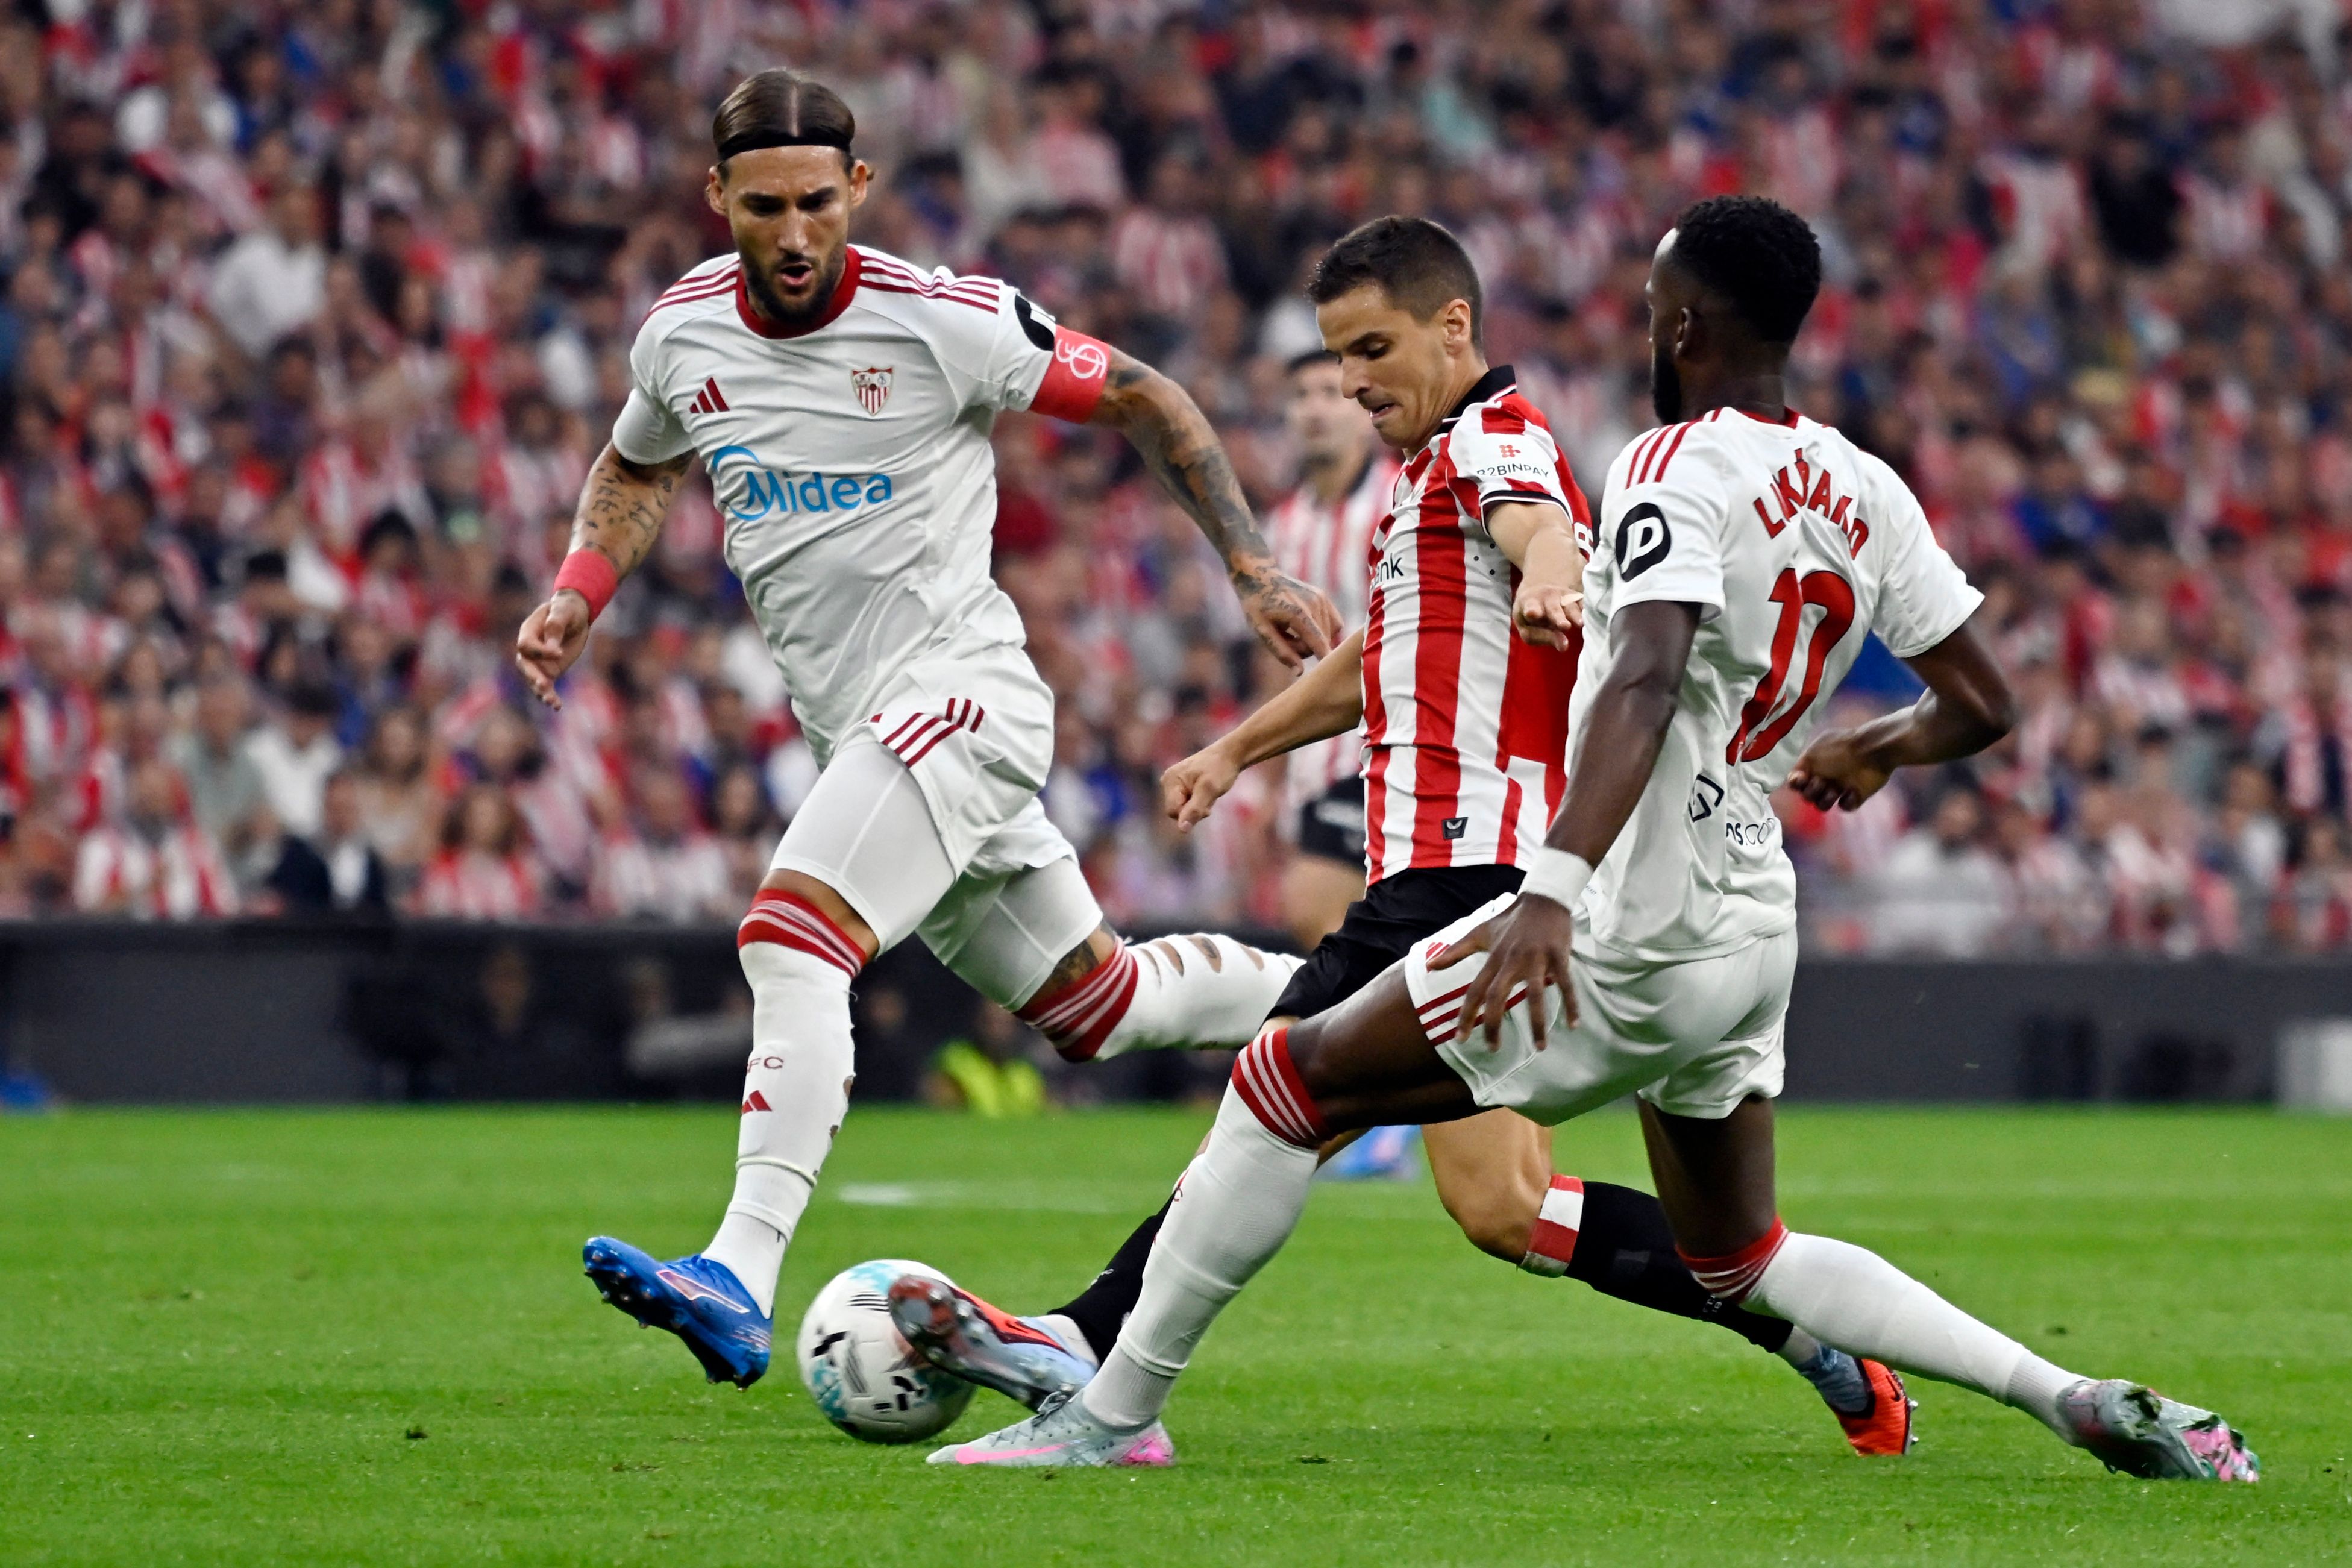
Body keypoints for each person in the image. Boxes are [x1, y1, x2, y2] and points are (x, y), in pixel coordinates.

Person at [935, 197, 2259, 1482]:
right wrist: (1874, 744)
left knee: (1283, 1085)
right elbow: (1982, 701)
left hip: (1626, 907)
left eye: (1648, 307)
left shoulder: (1664, 461)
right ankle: (2068, 1391)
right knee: (1730, 1253)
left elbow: (1633, 673)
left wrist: (1552, 892)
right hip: (1751, 919)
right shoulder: (1865, 486)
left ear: (1682, 325)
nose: (1639, 329)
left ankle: (1106, 1408)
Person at [894, 217, 1910, 1460]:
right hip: (1460, 871)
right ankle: (1801, 1326)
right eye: (1334, 360)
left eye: (1371, 349)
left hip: (1464, 873)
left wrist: (1548, 567)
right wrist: (1237, 748)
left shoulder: (1494, 439)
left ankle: (1092, 1359)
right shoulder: (1426, 471)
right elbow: (1384, 661)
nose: (1353, 380)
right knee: (1503, 1204)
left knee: (1273, 1087)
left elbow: (1539, 522)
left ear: (1452, 328)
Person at [513, 70, 1340, 1390]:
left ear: (858, 191)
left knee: (790, 934)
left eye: (814, 203)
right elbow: (637, 458)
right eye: (762, 205)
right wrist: (577, 589)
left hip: (962, 693)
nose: (792, 234)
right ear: (715, 197)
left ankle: (736, 1269)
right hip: (869, 727)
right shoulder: (678, 335)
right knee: (1096, 1003)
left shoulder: (942, 319)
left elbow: (1144, 394)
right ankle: (1350, 1003)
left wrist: (1247, 568)